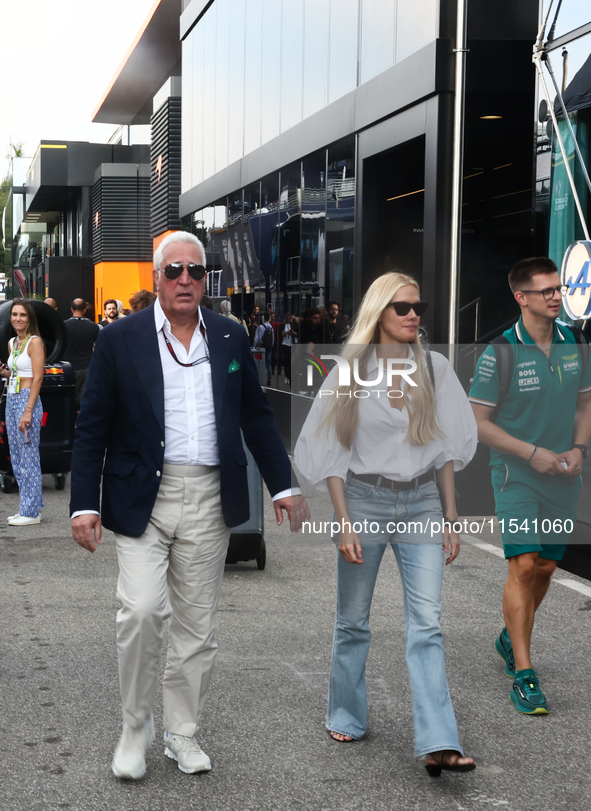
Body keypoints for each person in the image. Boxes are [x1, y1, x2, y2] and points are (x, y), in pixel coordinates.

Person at [69, 230, 309, 780]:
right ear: (156, 278)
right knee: (142, 611)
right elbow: (91, 426)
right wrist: (84, 502)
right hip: (140, 496)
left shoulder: (228, 336)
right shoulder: (120, 338)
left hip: (208, 495)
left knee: (197, 627)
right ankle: (136, 727)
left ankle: (181, 733)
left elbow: (255, 416)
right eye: (173, 271)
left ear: (207, 279)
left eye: (195, 271)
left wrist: (285, 484)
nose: (184, 280)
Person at [295, 271, 477, 776]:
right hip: (364, 502)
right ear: (379, 313)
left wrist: (451, 516)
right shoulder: (350, 371)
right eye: (403, 308)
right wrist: (345, 521)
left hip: (420, 504)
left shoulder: (435, 368)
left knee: (428, 624)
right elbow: (332, 453)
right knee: (353, 620)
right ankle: (346, 714)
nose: (414, 315)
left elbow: (443, 451)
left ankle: (439, 740)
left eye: (418, 306)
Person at [469, 257, 591, 716]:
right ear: (521, 298)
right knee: (522, 566)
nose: (557, 296)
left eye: (558, 289)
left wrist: (579, 448)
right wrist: (530, 453)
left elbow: (585, 406)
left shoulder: (575, 341)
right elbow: (478, 424)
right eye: (547, 291)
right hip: (516, 474)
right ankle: (524, 672)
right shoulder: (498, 352)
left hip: (564, 475)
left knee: (544, 570)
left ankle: (508, 636)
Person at [0, 299, 45, 526]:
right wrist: (7, 375)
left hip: (27, 401)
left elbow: (37, 377)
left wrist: (28, 411)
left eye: (23, 315)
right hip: (11, 398)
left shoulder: (34, 342)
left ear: (30, 319)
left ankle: (32, 512)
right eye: (15, 314)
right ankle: (27, 507)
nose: (18, 319)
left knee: (28, 457)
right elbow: (19, 373)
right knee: (16, 457)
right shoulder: (12, 343)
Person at [63, 298, 99, 407]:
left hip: (69, 367)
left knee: (69, 400)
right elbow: (97, 347)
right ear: (84, 310)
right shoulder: (94, 327)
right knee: (85, 400)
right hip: (87, 367)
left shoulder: (64, 326)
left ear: (72, 309)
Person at [253, 311, 274, 385]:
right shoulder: (271, 327)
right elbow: (273, 338)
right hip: (269, 347)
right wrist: (271, 345)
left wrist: (254, 347)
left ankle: (260, 378)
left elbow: (257, 338)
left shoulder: (260, 327)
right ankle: (269, 379)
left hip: (261, 347)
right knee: (269, 364)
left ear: (263, 318)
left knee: (260, 363)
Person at [278, 313, 299, 387]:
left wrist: (292, 333)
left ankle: (289, 375)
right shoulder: (282, 325)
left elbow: (297, 334)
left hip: (291, 344)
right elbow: (280, 335)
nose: (289, 320)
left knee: (290, 360)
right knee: (286, 360)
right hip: (284, 344)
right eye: (288, 318)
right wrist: (287, 332)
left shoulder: (293, 325)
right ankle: (286, 376)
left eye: (290, 318)